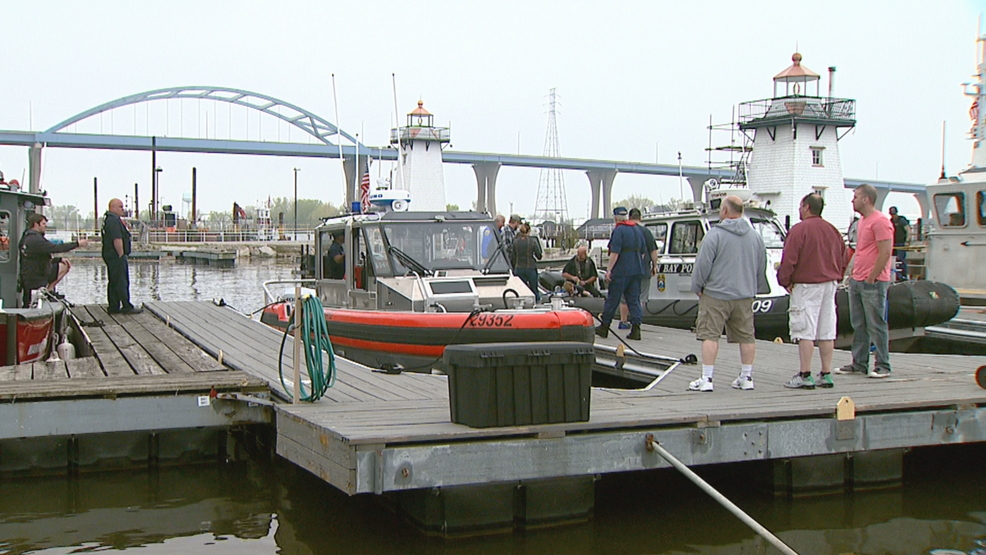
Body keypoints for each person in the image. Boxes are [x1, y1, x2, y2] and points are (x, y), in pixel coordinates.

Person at [687, 195, 768, 392]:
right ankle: (746, 376)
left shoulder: (714, 235)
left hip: (716, 294)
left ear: (724, 211)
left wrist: (697, 286)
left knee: (710, 335)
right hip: (744, 294)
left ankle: (707, 379)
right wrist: (754, 288)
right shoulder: (755, 237)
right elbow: (761, 266)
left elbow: (703, 265)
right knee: (747, 336)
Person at [777, 193, 849, 390]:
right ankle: (826, 373)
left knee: (804, 329)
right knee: (827, 330)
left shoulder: (800, 230)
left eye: (801, 206)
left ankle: (805, 373)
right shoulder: (833, 230)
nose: (799, 210)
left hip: (807, 285)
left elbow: (789, 258)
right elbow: (845, 255)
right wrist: (838, 275)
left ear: (807, 207)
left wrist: (785, 280)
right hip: (830, 284)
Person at [835, 184, 894, 379]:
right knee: (858, 323)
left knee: (876, 323)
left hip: (873, 282)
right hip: (857, 279)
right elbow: (861, 250)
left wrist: (871, 277)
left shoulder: (880, 222)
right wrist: (852, 274)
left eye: (856, 196)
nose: (853, 200)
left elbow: (885, 252)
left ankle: (883, 365)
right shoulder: (862, 222)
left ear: (866, 199)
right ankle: (859, 363)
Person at [594, 206, 647, 341]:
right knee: (634, 300)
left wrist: (609, 270)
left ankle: (604, 326)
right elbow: (642, 251)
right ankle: (636, 329)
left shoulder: (619, 231)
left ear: (616, 217)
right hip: (636, 270)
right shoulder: (637, 229)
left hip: (622, 270)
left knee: (613, 299)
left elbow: (615, 253)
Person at [19, 213, 88, 306]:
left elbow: (36, 257)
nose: (45, 226)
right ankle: (48, 291)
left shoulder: (26, 236)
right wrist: (77, 244)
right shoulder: (36, 239)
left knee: (64, 264)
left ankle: (48, 292)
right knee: (65, 266)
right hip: (36, 276)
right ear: (36, 224)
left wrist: (58, 259)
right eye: (43, 224)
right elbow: (56, 248)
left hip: (31, 273)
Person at [617, 208, 658, 328]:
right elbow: (653, 251)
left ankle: (623, 321)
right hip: (643, 269)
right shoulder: (646, 232)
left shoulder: (624, 230)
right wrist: (654, 266)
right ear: (640, 218)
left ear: (629, 217)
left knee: (624, 298)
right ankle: (637, 322)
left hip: (626, 270)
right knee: (641, 297)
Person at [101, 199, 142, 314]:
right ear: (112, 208)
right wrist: (121, 254)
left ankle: (114, 306)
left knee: (114, 281)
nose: (122, 209)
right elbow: (117, 239)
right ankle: (126, 306)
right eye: (120, 207)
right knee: (121, 281)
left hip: (110, 255)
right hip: (116, 256)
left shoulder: (109, 220)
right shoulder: (113, 221)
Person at [510, 222, 543, 302]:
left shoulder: (515, 242)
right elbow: (539, 256)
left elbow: (513, 258)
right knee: (534, 289)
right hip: (530, 268)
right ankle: (536, 303)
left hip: (519, 268)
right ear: (529, 231)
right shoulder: (532, 242)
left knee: (521, 290)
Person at [888, 206, 909, 281]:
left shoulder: (902, 221)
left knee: (901, 259)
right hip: (893, 243)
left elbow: (908, 230)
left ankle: (904, 276)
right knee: (893, 260)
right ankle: (895, 276)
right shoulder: (890, 221)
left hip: (901, 243)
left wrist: (907, 240)